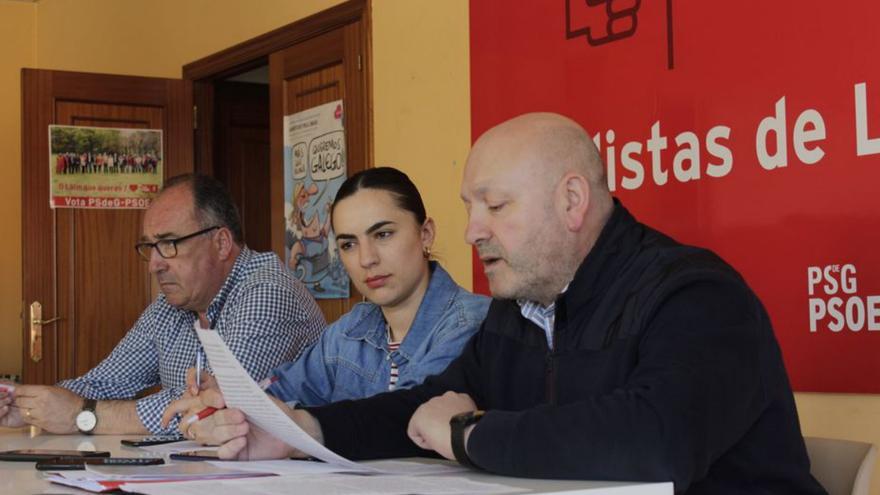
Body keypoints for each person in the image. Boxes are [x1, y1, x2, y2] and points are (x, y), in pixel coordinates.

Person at [177, 114, 825, 494]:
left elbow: (655, 440)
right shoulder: (522, 308)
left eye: (496, 204)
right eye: (469, 207)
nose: (471, 230)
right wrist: (296, 433)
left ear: (572, 202)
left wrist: (469, 435)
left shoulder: (696, 295)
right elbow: (420, 407)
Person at [163, 167, 490, 441]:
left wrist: (296, 420)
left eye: (383, 234)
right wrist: (228, 397)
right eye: (349, 244)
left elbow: (400, 419)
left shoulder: (472, 323)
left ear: (426, 234)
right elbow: (283, 388)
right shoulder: (351, 329)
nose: (367, 259)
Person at [0, 174, 326, 435]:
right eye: (149, 246)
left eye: (168, 243)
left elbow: (212, 408)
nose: (154, 264)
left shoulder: (268, 291)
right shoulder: (172, 304)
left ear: (221, 243)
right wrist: (26, 404)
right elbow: (105, 381)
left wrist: (83, 417)